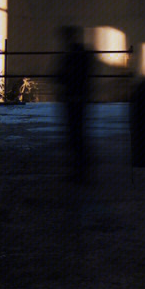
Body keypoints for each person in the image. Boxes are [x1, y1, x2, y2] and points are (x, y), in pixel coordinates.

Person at [56, 26, 91, 182]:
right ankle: (81, 170)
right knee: (77, 134)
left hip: (73, 98)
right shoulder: (81, 53)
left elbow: (62, 75)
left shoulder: (72, 55)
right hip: (78, 98)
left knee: (75, 135)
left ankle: (80, 171)